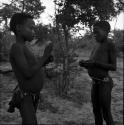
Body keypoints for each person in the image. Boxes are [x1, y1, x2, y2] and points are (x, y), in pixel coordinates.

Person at [7, 12, 53, 125]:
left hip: (32, 96)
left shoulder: (24, 47)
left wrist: (45, 60)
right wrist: (44, 57)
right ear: (18, 28)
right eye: (31, 28)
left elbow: (32, 67)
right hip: (25, 97)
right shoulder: (16, 47)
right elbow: (27, 73)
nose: (34, 31)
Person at [79, 21, 117, 125]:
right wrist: (85, 63)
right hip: (95, 83)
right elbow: (93, 60)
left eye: (97, 32)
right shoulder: (97, 44)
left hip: (104, 83)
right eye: (93, 33)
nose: (94, 35)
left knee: (106, 113)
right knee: (96, 111)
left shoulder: (110, 44)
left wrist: (95, 63)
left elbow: (113, 67)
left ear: (106, 31)